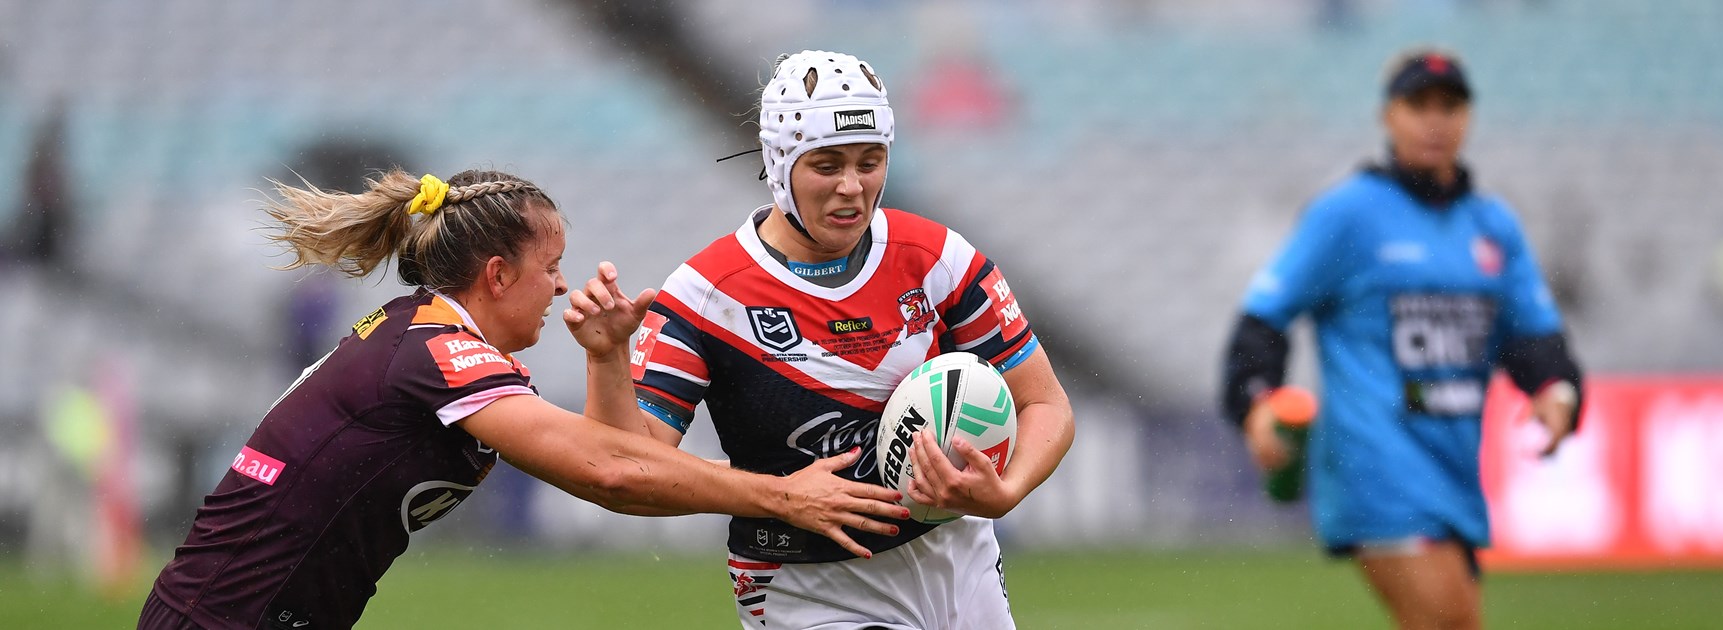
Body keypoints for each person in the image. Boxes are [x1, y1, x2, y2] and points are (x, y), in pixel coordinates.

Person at [138, 169, 907, 629]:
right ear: (499, 275)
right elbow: (610, 473)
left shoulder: (439, 342)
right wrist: (781, 497)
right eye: (552, 266)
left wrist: (607, 356)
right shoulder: (438, 354)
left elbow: (616, 468)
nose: (564, 286)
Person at [625, 50, 1074, 630]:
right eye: (826, 164)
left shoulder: (938, 259)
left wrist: (1006, 490)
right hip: (807, 588)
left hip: (961, 563)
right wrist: (606, 356)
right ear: (779, 161)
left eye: (870, 161)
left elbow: (1045, 403)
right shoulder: (706, 296)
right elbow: (634, 468)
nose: (852, 188)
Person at [1219, 48, 1586, 630]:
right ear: (1387, 116)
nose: (1435, 121)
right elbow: (1263, 319)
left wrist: (1557, 392)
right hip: (1376, 472)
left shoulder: (1492, 226)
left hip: (1455, 475)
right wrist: (1256, 401)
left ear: (1469, 117)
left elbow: (1533, 336)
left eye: (1451, 105)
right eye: (1418, 105)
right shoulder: (1349, 215)